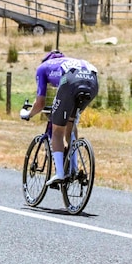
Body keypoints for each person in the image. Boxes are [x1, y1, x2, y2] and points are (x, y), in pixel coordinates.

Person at [20, 50, 99, 186]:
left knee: (57, 131)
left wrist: (28, 114)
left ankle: (60, 174)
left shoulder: (43, 68)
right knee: (70, 125)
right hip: (92, 81)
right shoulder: (67, 61)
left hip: (71, 81)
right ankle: (73, 168)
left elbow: (40, 103)